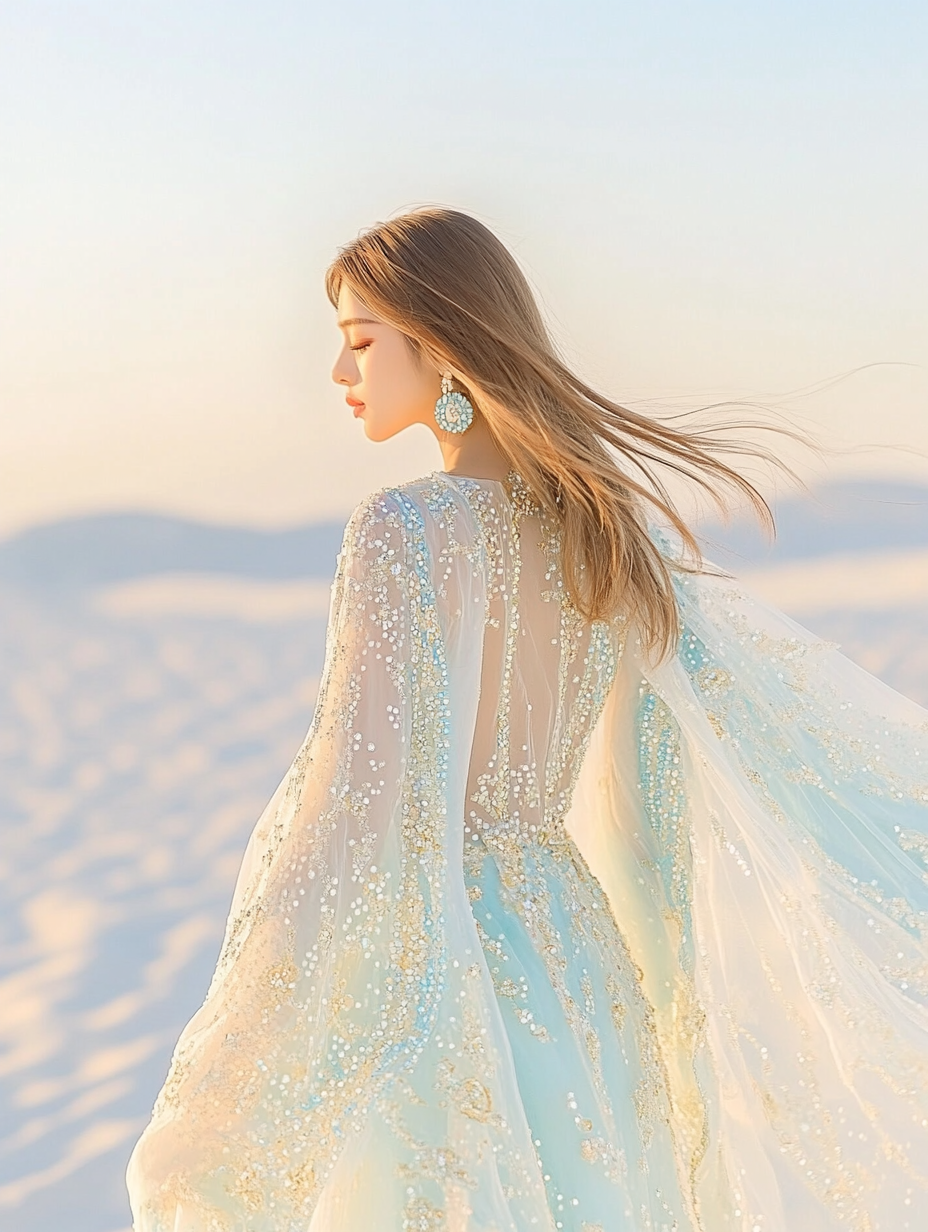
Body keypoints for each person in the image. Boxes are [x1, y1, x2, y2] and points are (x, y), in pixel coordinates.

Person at [126, 208, 928, 1231]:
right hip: (578, 966)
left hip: (441, 962)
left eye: (361, 339)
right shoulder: (602, 534)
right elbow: (644, 812)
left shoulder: (403, 529)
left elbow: (356, 808)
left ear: (445, 340)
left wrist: (231, 1077)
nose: (338, 371)